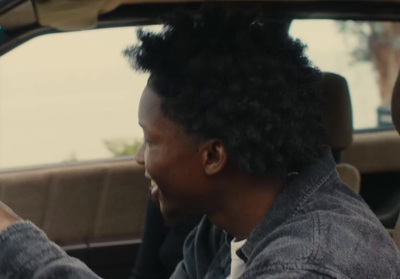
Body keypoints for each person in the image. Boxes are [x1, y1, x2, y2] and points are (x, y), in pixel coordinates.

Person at [0, 6, 400, 279]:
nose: (139, 158)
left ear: (212, 155)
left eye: (150, 140)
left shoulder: (313, 262)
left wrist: (13, 237)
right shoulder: (225, 228)